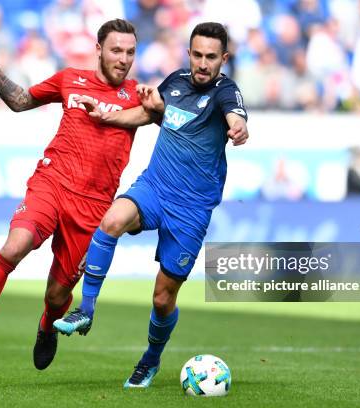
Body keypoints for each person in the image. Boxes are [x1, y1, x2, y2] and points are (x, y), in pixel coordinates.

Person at [0, 19, 140, 370]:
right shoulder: (70, 79)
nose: (123, 58)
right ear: (98, 49)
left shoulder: (138, 96)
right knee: (15, 246)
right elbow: (21, 100)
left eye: (130, 52)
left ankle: (47, 326)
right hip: (52, 183)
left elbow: (174, 116)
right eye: (116, 50)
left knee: (57, 296)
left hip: (93, 207)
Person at [53, 22, 249, 387]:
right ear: (188, 53)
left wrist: (238, 127)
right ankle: (86, 310)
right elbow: (149, 113)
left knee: (162, 299)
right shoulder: (175, 81)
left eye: (211, 57)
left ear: (223, 58)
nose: (202, 64)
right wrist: (107, 117)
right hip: (155, 186)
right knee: (111, 221)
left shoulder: (226, 92)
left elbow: (236, 117)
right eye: (197, 55)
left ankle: (150, 359)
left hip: (191, 209)